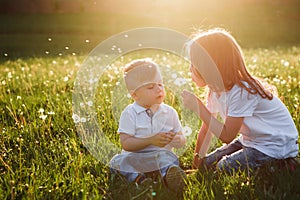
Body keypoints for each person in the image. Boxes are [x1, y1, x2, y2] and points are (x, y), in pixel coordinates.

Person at [181, 29, 299, 173]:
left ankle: (283, 164)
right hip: (250, 140)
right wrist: (197, 161)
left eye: (194, 64)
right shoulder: (215, 90)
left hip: (273, 145)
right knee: (206, 164)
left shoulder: (242, 91)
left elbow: (227, 136)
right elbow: (207, 128)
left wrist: (199, 108)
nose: (190, 69)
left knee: (224, 168)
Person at [109, 58, 186, 192]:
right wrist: (150, 140)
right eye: (151, 87)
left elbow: (181, 138)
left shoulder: (170, 112)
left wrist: (178, 140)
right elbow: (126, 143)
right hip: (136, 158)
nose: (158, 89)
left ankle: (168, 175)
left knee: (168, 157)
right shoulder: (130, 113)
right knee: (118, 161)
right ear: (135, 95)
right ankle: (139, 179)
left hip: (160, 156)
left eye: (160, 84)